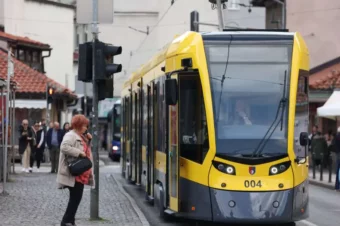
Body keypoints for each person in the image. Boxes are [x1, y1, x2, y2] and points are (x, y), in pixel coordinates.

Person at [57, 114, 94, 226]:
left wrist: (89, 141)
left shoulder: (81, 136)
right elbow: (64, 147)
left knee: (76, 198)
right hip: (74, 173)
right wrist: (79, 153)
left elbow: (86, 150)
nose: (86, 128)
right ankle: (66, 221)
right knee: (75, 199)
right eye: (84, 125)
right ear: (78, 125)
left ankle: (70, 221)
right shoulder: (70, 135)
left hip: (81, 173)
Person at [334, 127, 340, 191]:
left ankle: (337, 186)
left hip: (338, 155)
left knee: (338, 171)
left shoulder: (336, 137)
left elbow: (334, 146)